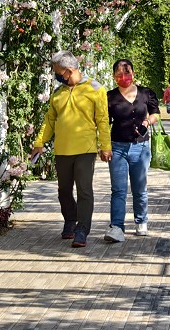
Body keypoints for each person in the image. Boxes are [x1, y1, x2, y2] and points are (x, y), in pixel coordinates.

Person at [29, 50, 111, 248]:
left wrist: (105, 146)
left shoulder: (95, 89)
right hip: (62, 149)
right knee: (63, 190)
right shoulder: (58, 93)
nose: (57, 76)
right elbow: (50, 120)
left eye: (58, 72)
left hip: (85, 148)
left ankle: (82, 230)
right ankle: (70, 220)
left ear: (69, 70)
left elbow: (102, 119)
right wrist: (39, 142)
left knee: (84, 191)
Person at [104, 59, 159, 242]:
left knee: (139, 187)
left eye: (127, 73)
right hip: (117, 147)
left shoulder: (146, 93)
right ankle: (117, 227)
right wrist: (104, 146)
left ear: (133, 74)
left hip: (140, 147)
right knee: (118, 190)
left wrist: (147, 122)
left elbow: (155, 113)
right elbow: (105, 123)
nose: (124, 77)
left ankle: (141, 220)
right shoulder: (109, 97)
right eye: (119, 75)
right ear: (114, 77)